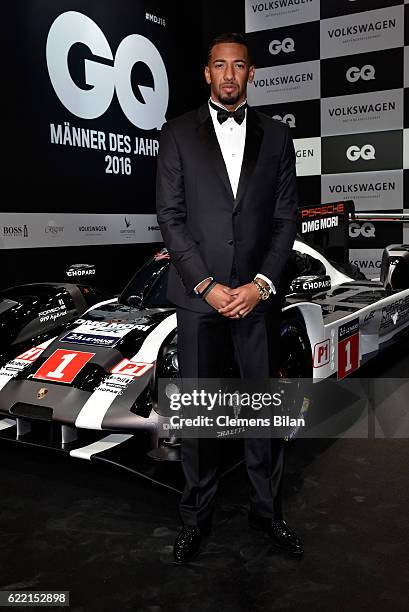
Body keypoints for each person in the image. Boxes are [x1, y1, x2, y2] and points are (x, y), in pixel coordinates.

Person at [156, 32, 302, 563]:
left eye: (238, 66)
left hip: (257, 298)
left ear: (251, 73)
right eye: (219, 65)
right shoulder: (176, 134)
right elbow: (170, 219)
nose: (229, 75)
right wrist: (207, 286)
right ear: (206, 73)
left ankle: (267, 513)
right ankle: (196, 518)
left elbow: (286, 220)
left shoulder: (279, 137)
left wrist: (259, 284)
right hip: (200, 301)